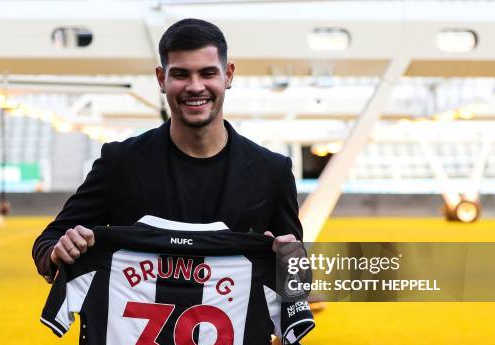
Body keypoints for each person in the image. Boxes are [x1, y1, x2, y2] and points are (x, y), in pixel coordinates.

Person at [32, 18, 303, 283]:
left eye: (207, 73)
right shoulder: (120, 163)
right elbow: (48, 241)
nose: (195, 86)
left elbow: (301, 281)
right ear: (161, 79)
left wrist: (293, 264)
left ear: (228, 75)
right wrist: (59, 251)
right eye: (181, 74)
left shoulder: (273, 171)